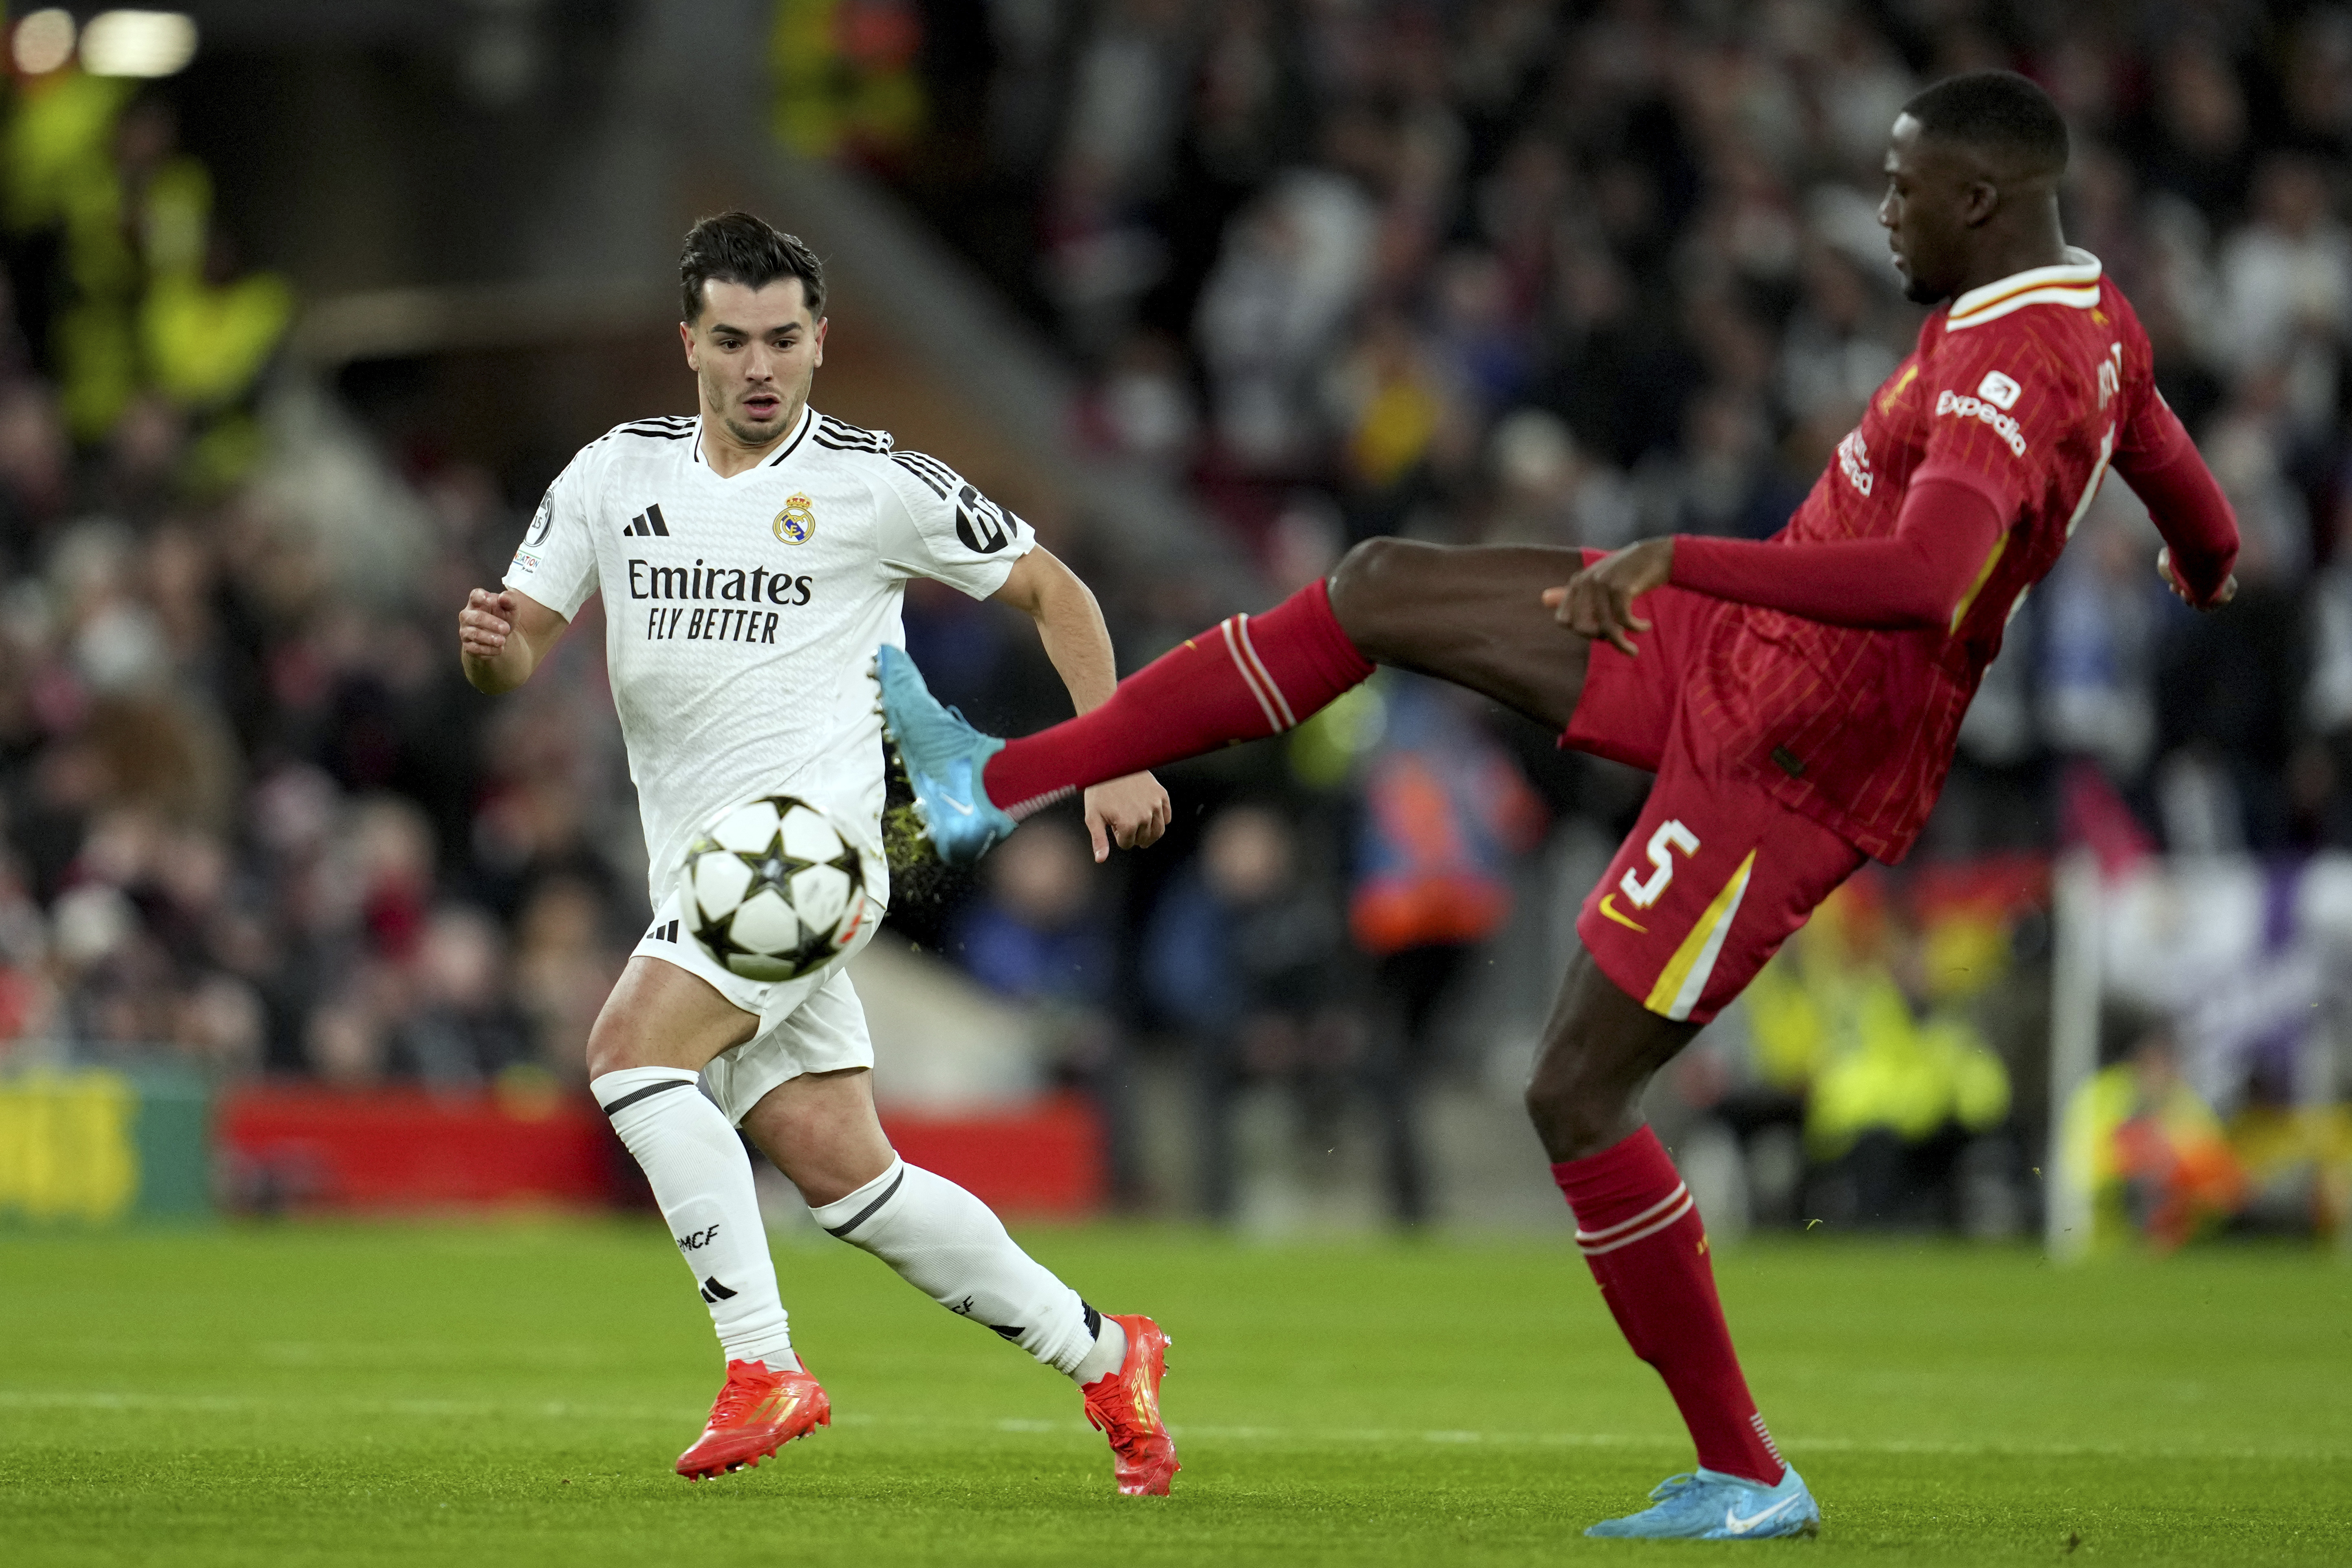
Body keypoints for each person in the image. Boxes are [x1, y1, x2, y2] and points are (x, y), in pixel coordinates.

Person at [877, 73, 2242, 1539]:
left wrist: (1682, 554)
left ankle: (1748, 1470)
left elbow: (1923, 585)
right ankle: (994, 780)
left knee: (1573, 1091)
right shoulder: (2087, 316)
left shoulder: (2006, 371)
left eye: (1904, 189)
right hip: (1741, 666)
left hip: (1796, 759)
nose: (1885, 211)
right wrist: (2207, 556)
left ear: (1979, 200)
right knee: (1379, 586)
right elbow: (2158, 443)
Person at [456, 212, 1179, 1491]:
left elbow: (1055, 590)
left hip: (810, 857)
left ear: (819, 342)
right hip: (699, 871)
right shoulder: (614, 475)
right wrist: (492, 648)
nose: (759, 367)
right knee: (852, 1180)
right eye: (731, 340)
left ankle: (760, 1365)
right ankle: (1108, 1353)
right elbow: (523, 645)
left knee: (627, 1053)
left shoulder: (874, 483)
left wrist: (1112, 752)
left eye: (783, 340)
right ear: (688, 342)